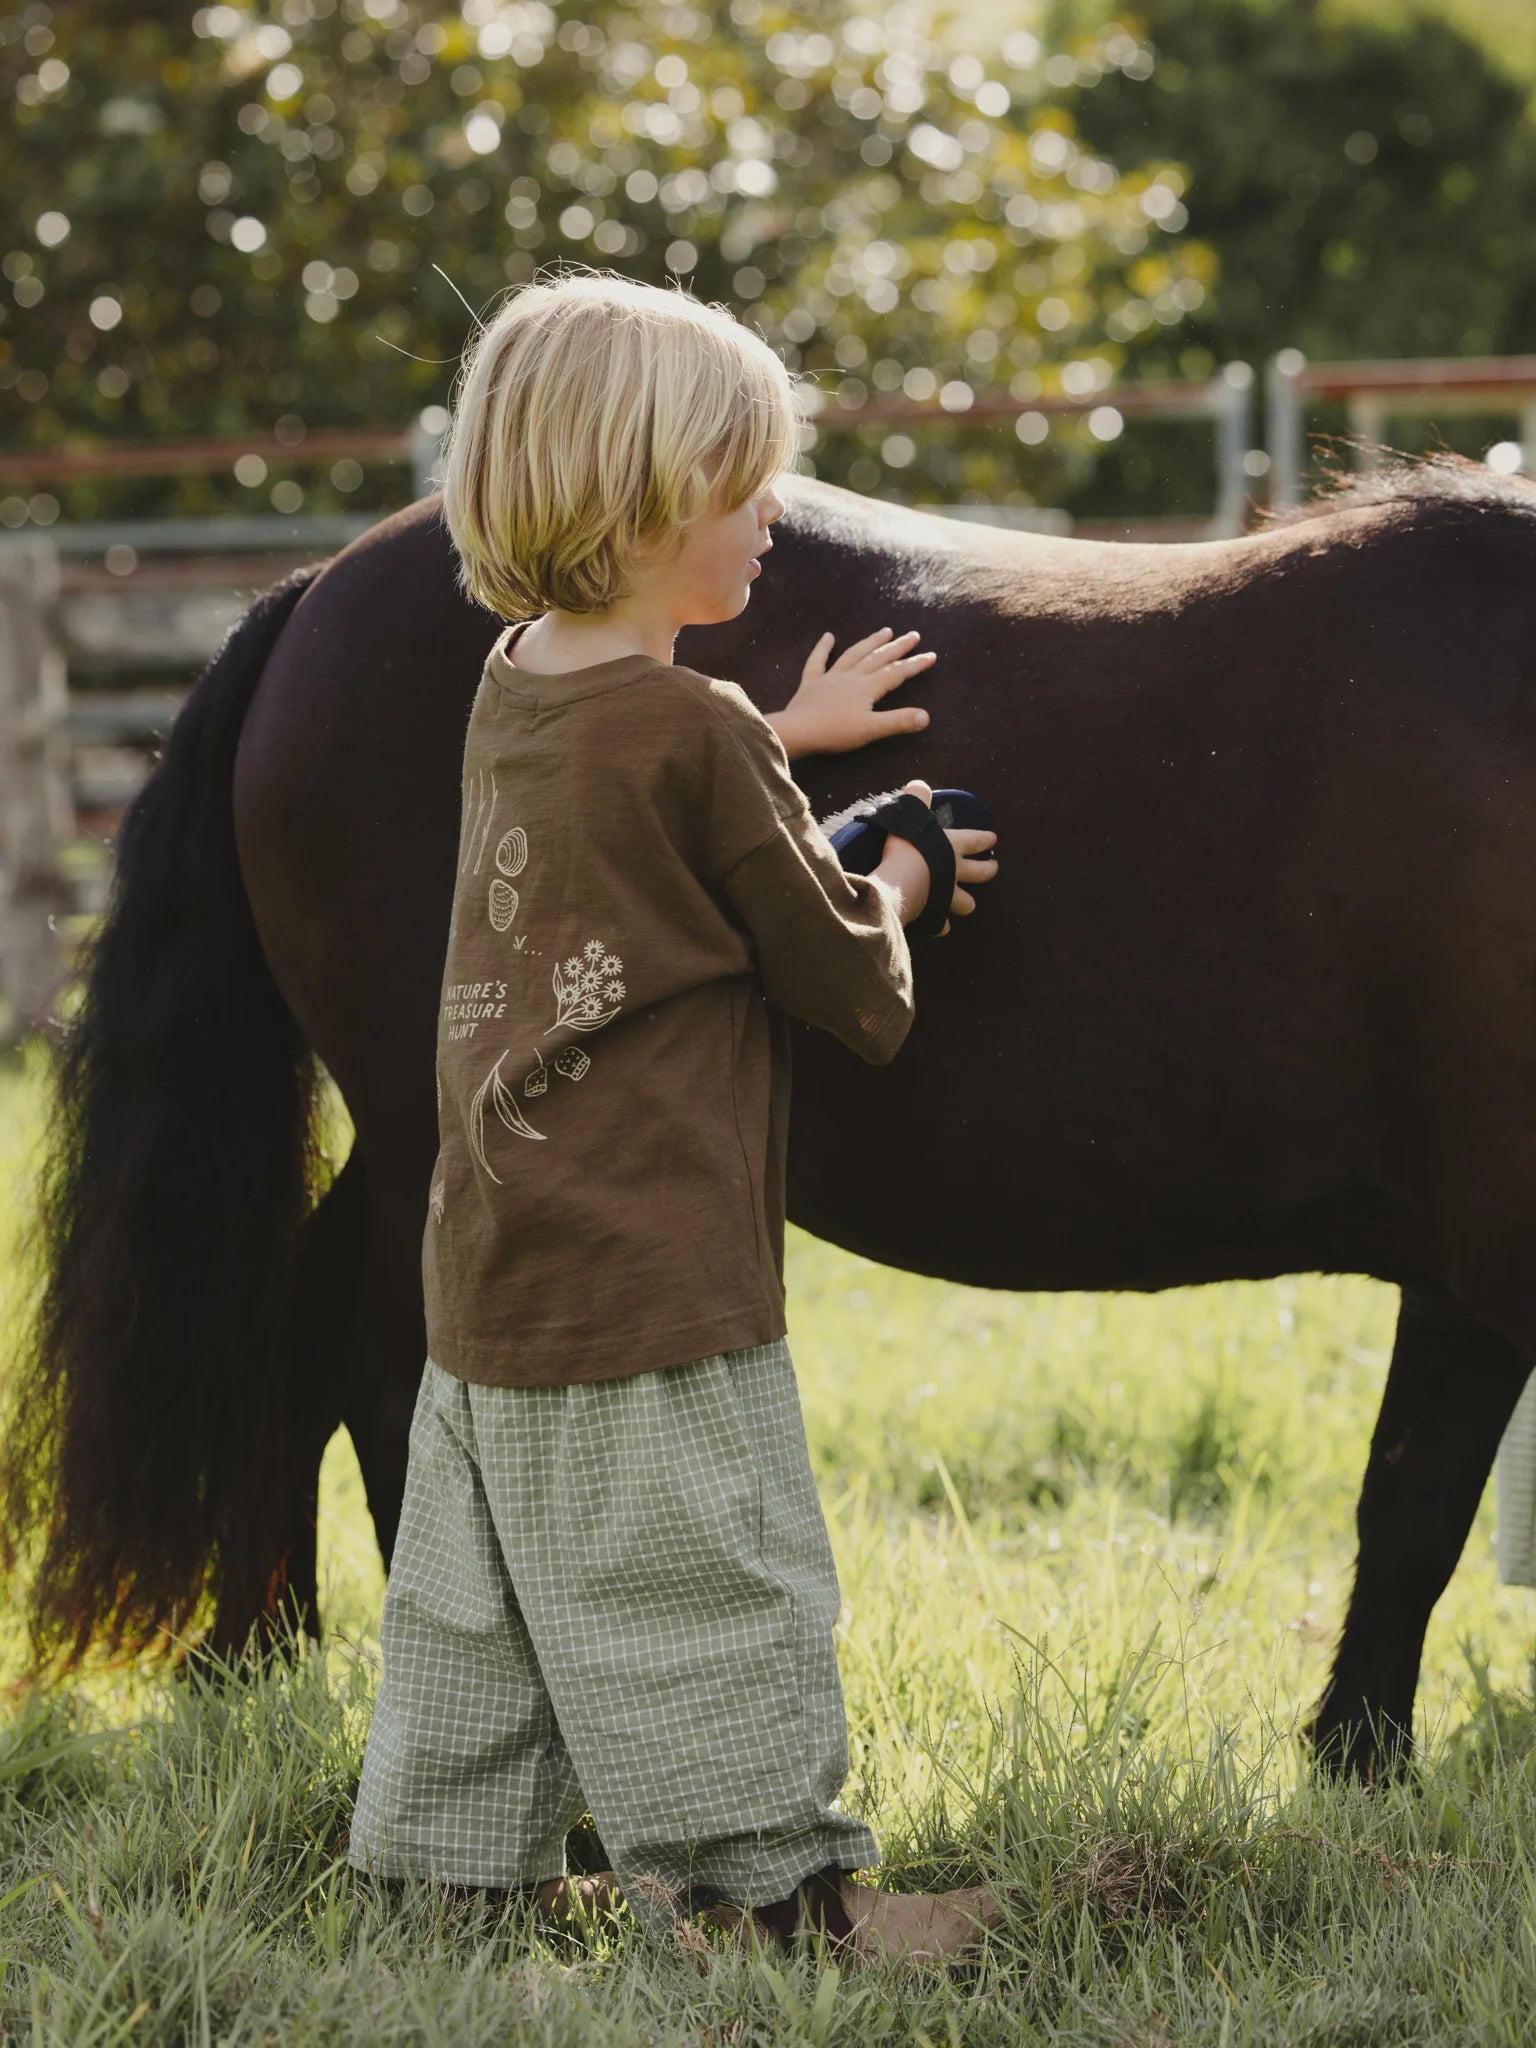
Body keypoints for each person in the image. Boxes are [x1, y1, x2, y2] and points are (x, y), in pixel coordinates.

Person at [348, 267, 1001, 1964]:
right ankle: (780, 1903)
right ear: (643, 506)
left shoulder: (518, 681)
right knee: (710, 1581)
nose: (776, 509)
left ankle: (450, 1882)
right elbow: (839, 970)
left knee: (478, 1607)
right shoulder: (696, 727)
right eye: (744, 480)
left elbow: (612, 804)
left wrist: (777, 738)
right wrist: (909, 863)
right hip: (653, 1262)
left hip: (494, 1258)